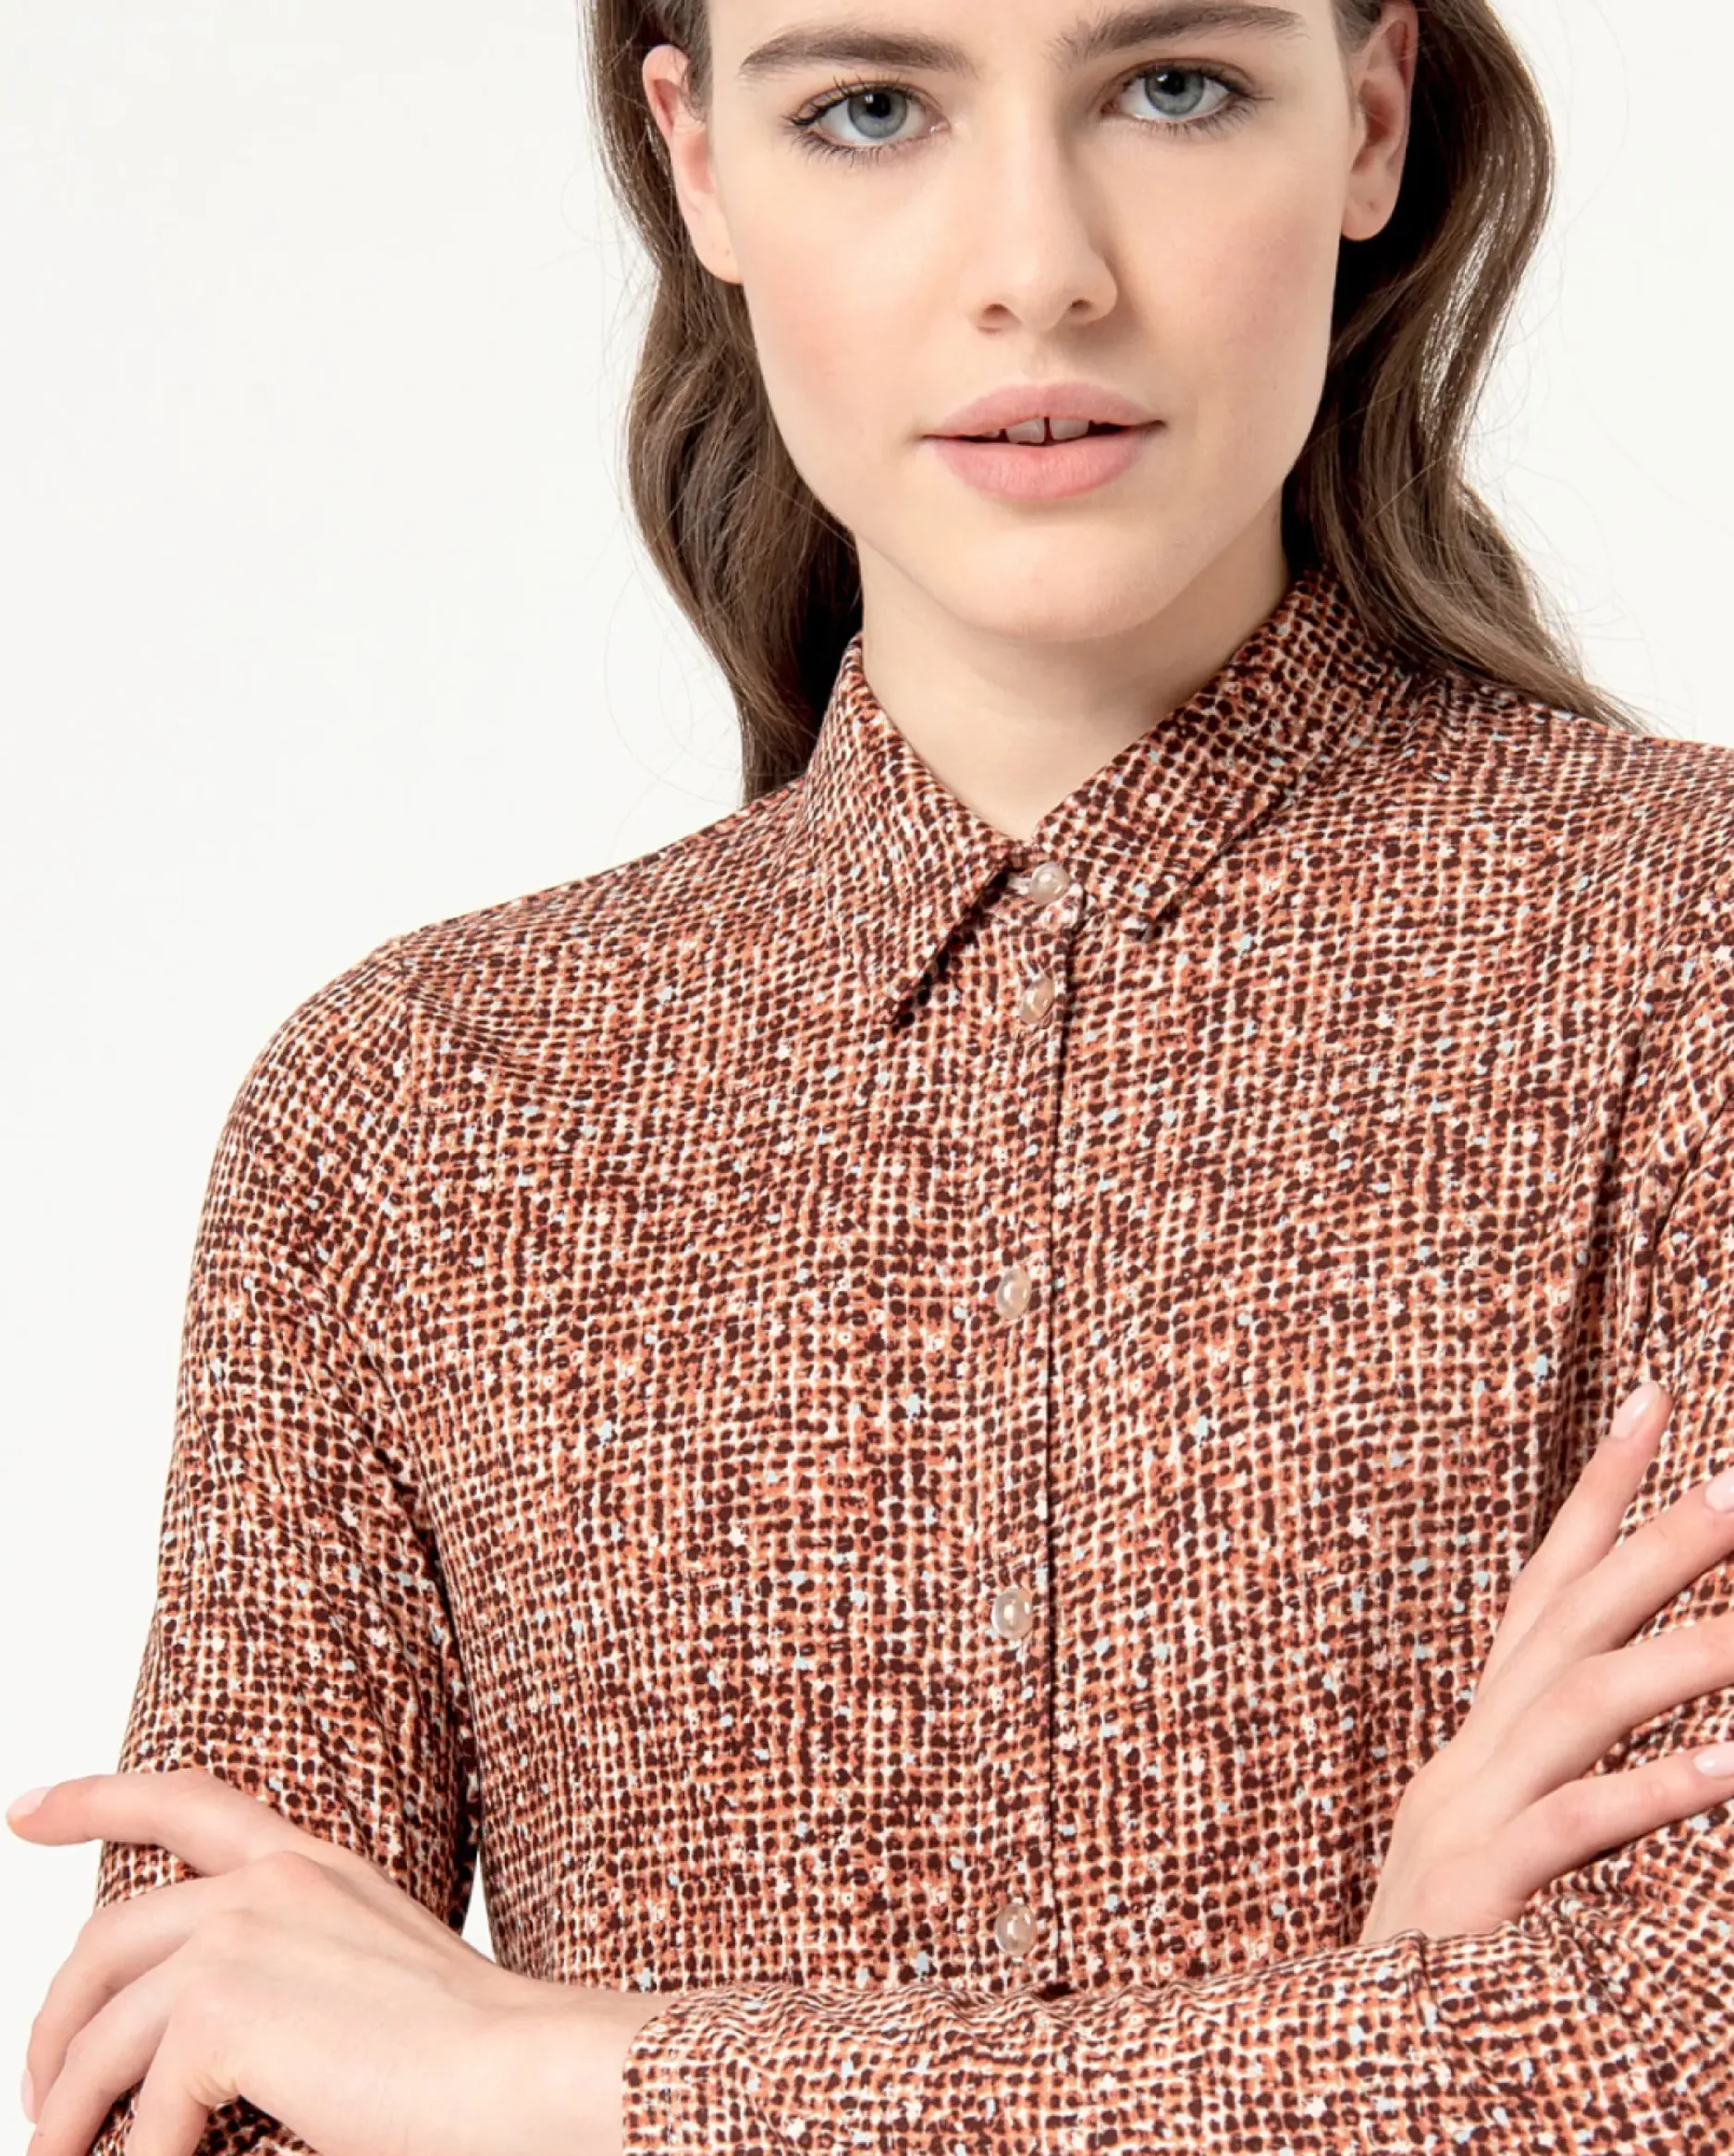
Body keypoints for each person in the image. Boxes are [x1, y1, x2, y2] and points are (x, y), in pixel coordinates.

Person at [12, 2, 1734, 2150]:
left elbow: (1689, 2056)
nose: (1038, 268)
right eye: (869, 109)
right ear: (699, 160)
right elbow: (184, 2083)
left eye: (1171, 88)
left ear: (1370, 112)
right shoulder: (407, 1119)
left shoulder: (1689, 953)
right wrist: (1387, 2044)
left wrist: (552, 2077)